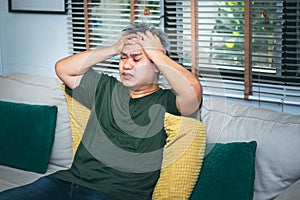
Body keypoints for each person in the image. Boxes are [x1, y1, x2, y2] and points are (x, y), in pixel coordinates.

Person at [0, 22, 202, 200]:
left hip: (115, 194)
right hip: (65, 183)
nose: (126, 65)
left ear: (156, 65)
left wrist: (157, 53)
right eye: (123, 58)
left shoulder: (166, 102)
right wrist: (114, 48)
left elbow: (193, 92)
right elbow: (63, 68)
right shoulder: (106, 87)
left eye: (136, 58)